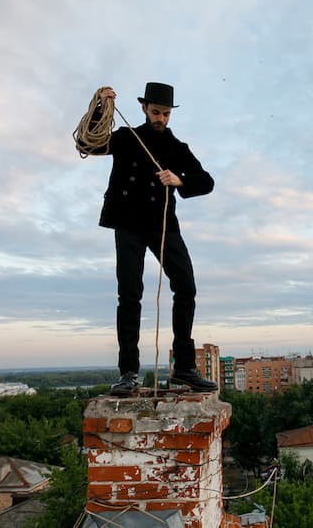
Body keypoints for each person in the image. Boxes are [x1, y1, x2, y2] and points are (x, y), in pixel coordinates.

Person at [79, 82, 217, 394]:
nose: (161, 119)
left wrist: (179, 179)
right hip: (127, 222)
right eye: (156, 112)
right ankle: (128, 372)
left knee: (186, 285)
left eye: (166, 114)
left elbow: (206, 181)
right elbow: (90, 144)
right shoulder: (127, 138)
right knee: (130, 294)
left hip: (162, 223)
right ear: (144, 108)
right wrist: (101, 106)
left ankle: (183, 369)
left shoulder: (176, 147)